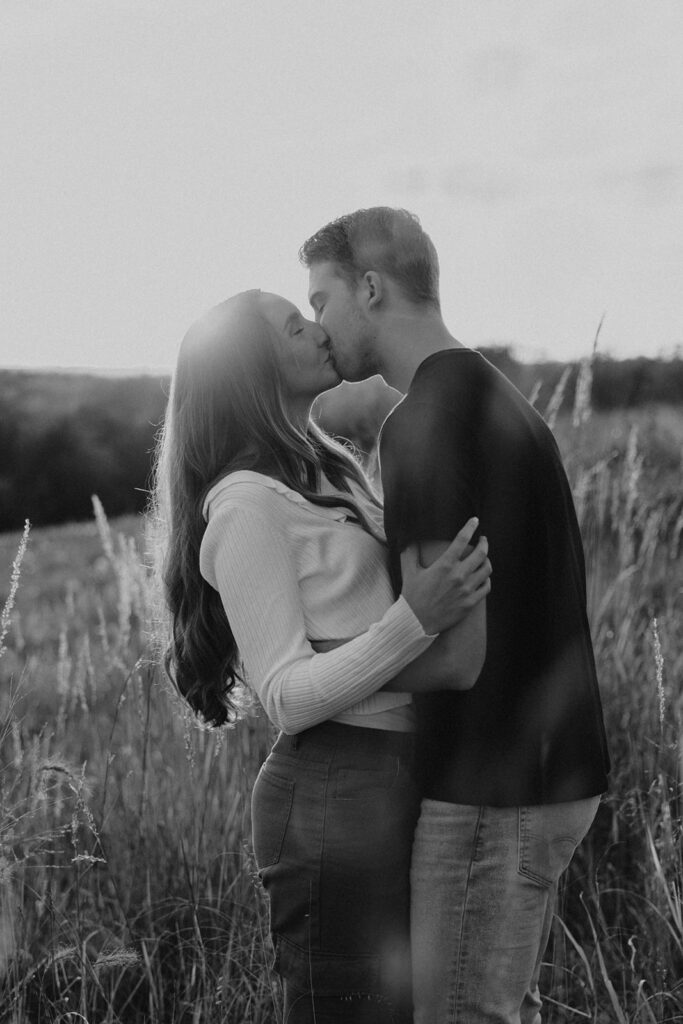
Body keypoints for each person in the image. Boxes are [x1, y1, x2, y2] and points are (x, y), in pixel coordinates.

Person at [300, 208, 611, 1024]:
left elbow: (454, 654)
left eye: (323, 300)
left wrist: (316, 669)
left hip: (489, 791)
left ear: (369, 287)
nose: (319, 328)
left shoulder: (423, 424)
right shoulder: (501, 400)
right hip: (547, 777)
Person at [152, 289, 492, 1023]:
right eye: (293, 325)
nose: (318, 331)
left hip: (396, 772)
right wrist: (414, 618)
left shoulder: (326, 467)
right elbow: (285, 694)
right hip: (332, 789)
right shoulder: (246, 507)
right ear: (252, 370)